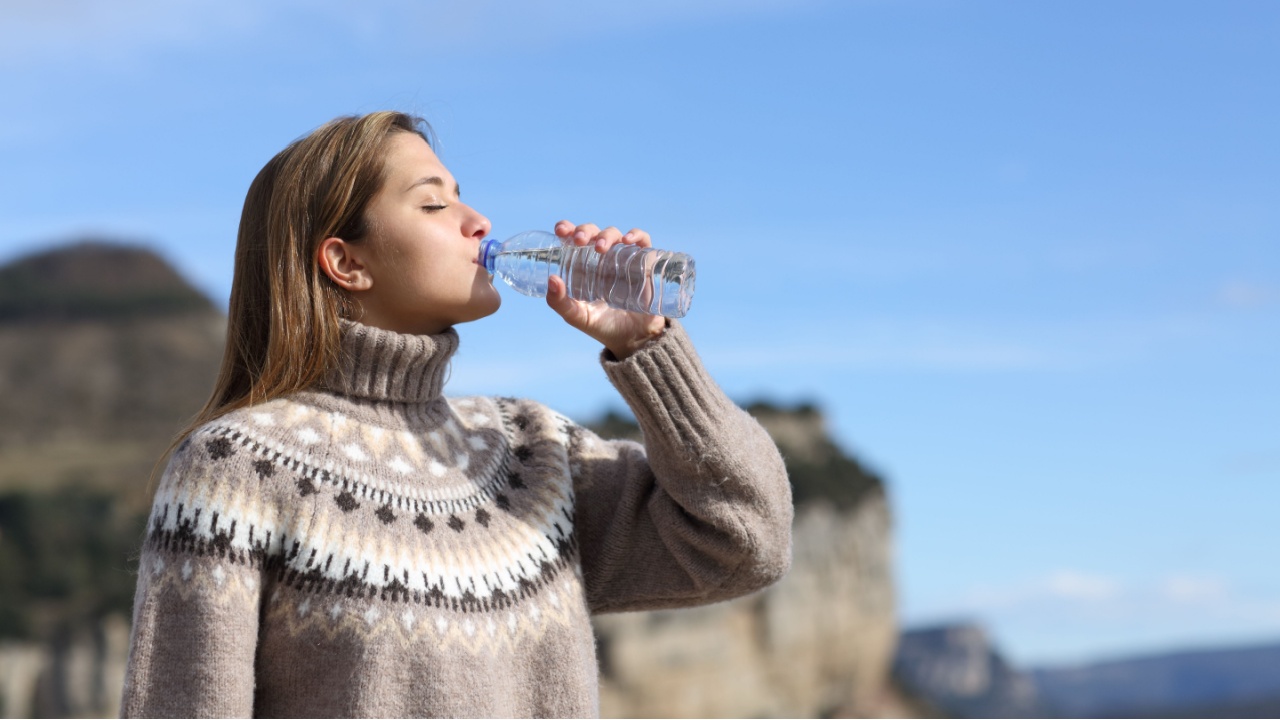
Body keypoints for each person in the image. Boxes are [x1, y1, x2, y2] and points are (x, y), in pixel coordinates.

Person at [120, 110, 792, 718]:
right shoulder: (237, 467)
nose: (477, 222)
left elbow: (746, 543)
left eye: (462, 196)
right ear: (346, 261)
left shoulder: (531, 449)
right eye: (433, 203)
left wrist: (646, 345)